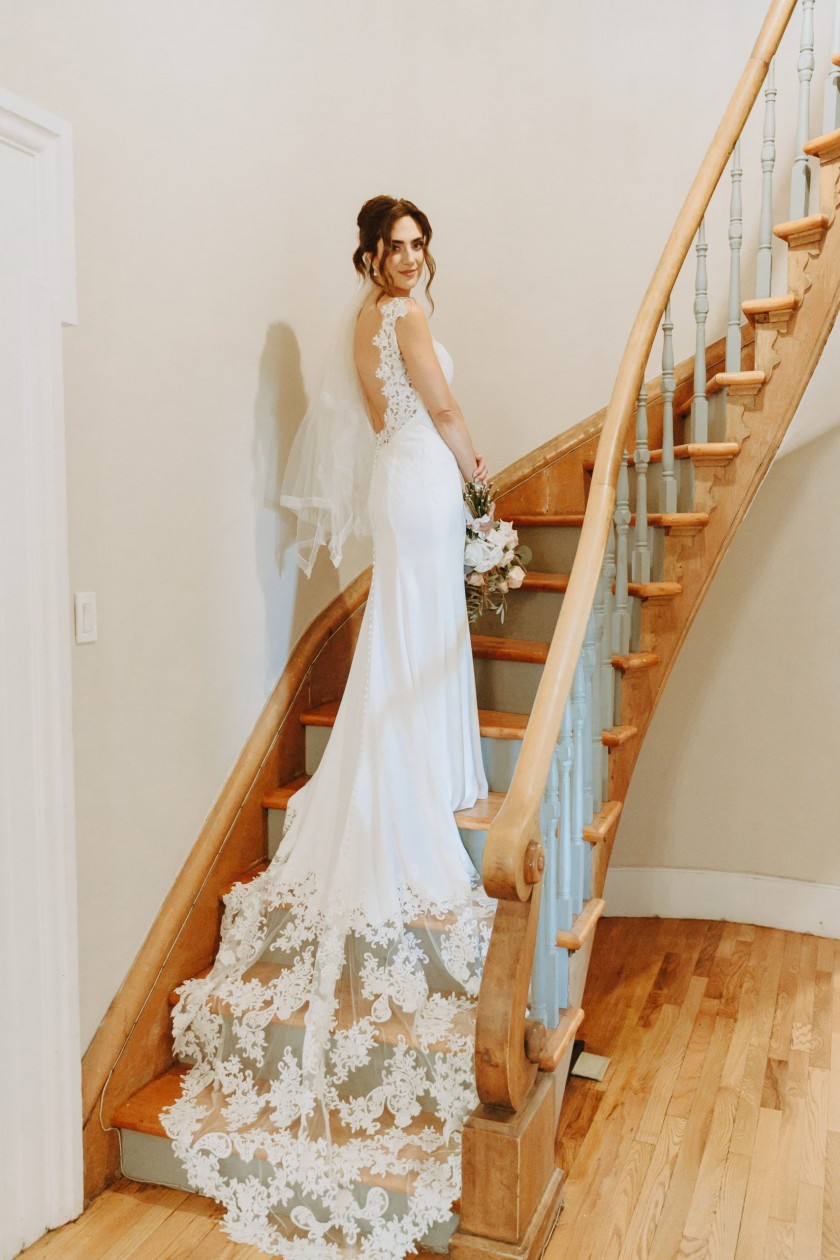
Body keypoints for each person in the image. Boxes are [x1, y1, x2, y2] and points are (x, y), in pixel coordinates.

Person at [161, 196, 494, 1258]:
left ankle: (420, 764)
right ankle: (418, 778)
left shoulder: (361, 319)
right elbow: (440, 405)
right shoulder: (404, 318)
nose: (411, 259)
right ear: (373, 253)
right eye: (396, 246)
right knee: (419, 629)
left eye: (419, 245)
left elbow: (388, 411)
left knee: (409, 627)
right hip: (425, 479)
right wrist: (481, 475)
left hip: (401, 481)